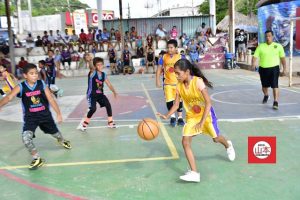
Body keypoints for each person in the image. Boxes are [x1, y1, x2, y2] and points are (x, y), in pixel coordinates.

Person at [157, 59, 235, 182]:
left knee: (216, 139)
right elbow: (176, 105)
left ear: (187, 72)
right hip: (192, 117)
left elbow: (209, 103)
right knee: (185, 141)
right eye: (175, 73)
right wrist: (167, 115)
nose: (176, 76)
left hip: (207, 115)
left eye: (178, 73)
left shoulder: (198, 82)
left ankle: (228, 145)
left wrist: (202, 122)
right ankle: (194, 173)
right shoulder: (179, 86)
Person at [0, 63, 71, 170]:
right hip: (30, 118)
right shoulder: (21, 87)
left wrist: (59, 113)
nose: (35, 76)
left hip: (45, 116)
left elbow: (51, 99)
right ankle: (37, 158)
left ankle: (62, 140)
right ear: (25, 75)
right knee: (26, 138)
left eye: (36, 73)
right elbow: (9, 97)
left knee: (56, 134)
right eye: (31, 74)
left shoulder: (41, 84)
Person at [77, 57, 117, 131]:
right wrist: (90, 61)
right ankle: (84, 124)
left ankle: (110, 122)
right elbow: (91, 67)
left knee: (108, 104)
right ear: (95, 66)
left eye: (101, 65)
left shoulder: (103, 75)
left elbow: (109, 84)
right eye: (98, 65)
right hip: (91, 95)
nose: (100, 66)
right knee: (93, 109)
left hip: (100, 95)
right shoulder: (93, 72)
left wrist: (114, 91)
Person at [252, 30, 287, 110]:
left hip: (274, 68)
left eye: (269, 36)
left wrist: (284, 69)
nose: (268, 38)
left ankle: (276, 102)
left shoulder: (278, 46)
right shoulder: (261, 46)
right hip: (263, 69)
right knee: (264, 86)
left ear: (272, 37)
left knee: (275, 85)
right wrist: (253, 64)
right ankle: (266, 95)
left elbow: (283, 59)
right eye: (266, 36)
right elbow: (255, 56)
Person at [156, 39, 185, 127]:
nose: (169, 49)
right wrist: (157, 79)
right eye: (168, 48)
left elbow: (185, 70)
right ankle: (172, 117)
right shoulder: (163, 57)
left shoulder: (181, 57)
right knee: (169, 101)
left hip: (178, 83)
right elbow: (159, 69)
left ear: (176, 48)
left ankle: (180, 118)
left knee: (179, 101)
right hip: (167, 83)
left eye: (171, 47)